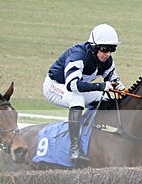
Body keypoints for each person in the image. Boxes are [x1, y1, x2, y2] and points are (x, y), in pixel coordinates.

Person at [43, 23, 126, 166]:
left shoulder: (107, 60)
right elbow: (72, 85)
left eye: (112, 49)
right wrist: (101, 86)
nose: (108, 54)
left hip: (77, 89)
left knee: (107, 98)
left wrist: (124, 91)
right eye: (105, 49)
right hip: (55, 86)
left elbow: (113, 80)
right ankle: (74, 148)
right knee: (77, 99)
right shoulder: (78, 55)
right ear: (94, 47)